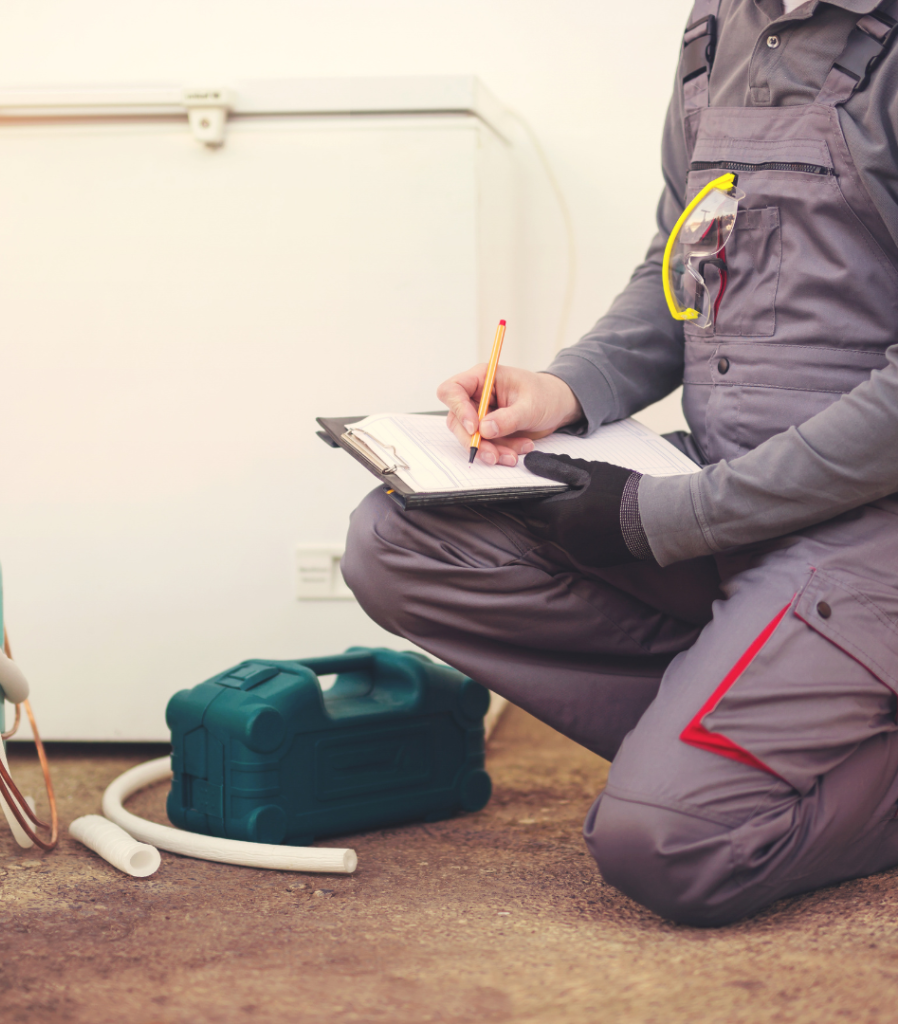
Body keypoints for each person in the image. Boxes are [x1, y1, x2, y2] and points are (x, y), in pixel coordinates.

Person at [341, 0, 898, 927]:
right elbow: (682, 263)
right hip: (722, 486)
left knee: (670, 844)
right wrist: (563, 390)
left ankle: (731, 760)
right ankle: (740, 716)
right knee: (400, 540)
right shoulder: (719, 23)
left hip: (863, 537)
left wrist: (666, 518)